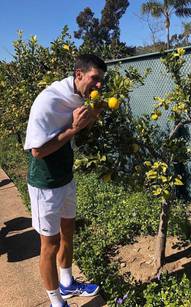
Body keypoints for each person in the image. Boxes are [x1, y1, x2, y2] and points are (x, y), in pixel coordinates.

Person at [24, 54, 106, 307]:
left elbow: (82, 126)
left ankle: (68, 283)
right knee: (49, 244)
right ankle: (56, 301)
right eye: (95, 78)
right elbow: (36, 151)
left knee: (68, 232)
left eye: (102, 80)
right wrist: (73, 129)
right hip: (45, 184)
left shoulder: (80, 95)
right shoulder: (48, 101)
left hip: (66, 178)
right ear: (78, 74)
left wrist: (94, 114)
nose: (99, 85)